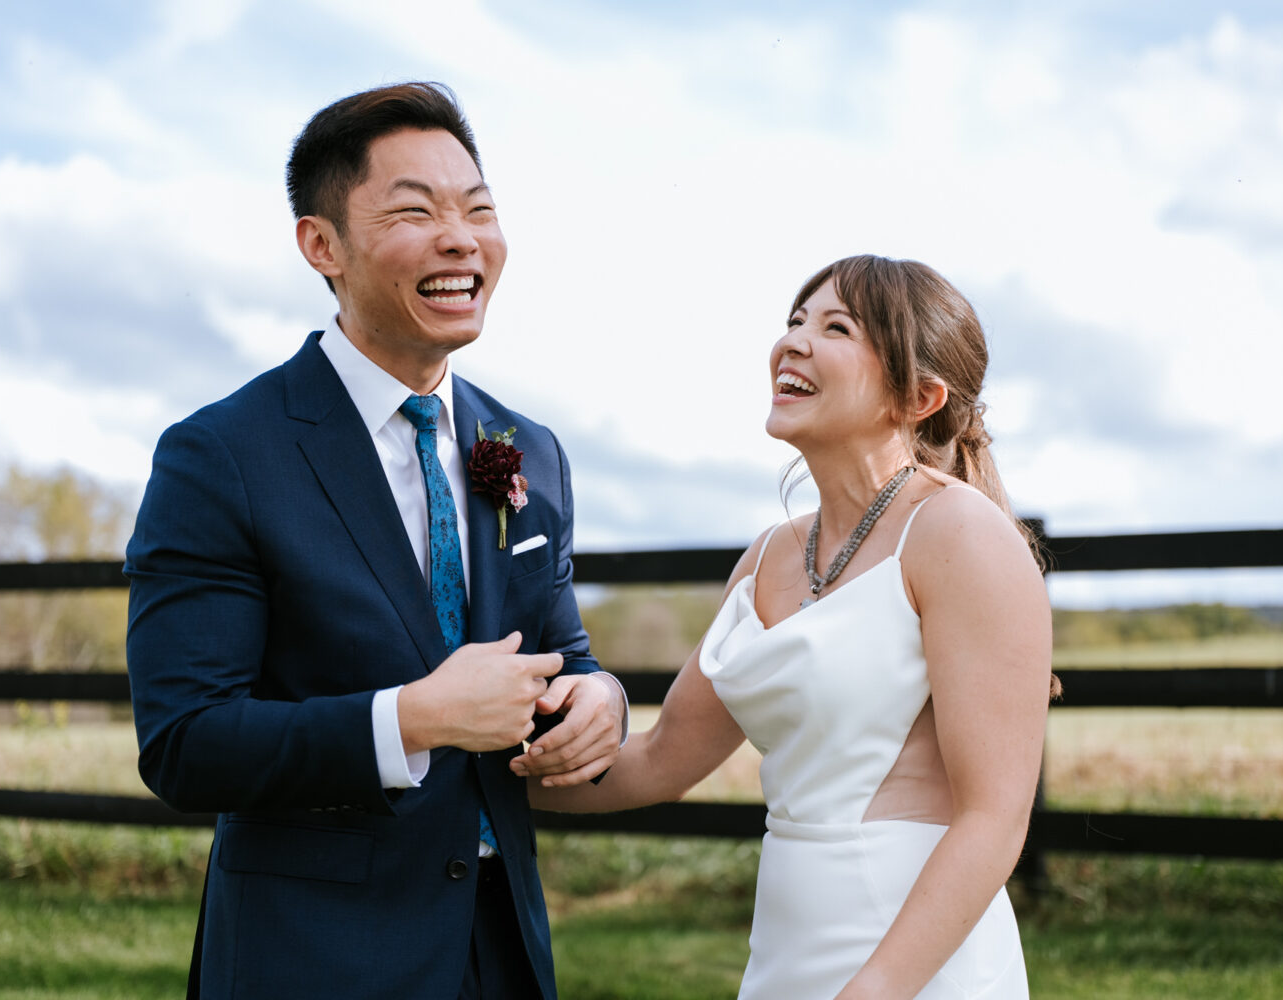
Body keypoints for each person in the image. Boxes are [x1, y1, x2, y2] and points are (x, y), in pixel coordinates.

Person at [124, 81, 627, 1000]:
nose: (462, 238)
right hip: (308, 959)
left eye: (479, 209)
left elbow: (564, 658)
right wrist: (417, 718)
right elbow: (187, 743)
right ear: (323, 245)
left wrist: (602, 699)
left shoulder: (524, 452)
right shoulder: (222, 455)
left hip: (499, 952)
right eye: (415, 211)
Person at [522, 255, 1054, 999]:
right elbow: (659, 759)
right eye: (795, 321)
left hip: (919, 962)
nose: (794, 342)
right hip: (785, 953)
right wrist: (466, 777)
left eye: (835, 327)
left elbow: (993, 819)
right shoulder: (770, 554)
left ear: (920, 395)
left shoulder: (961, 536)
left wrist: (874, 991)